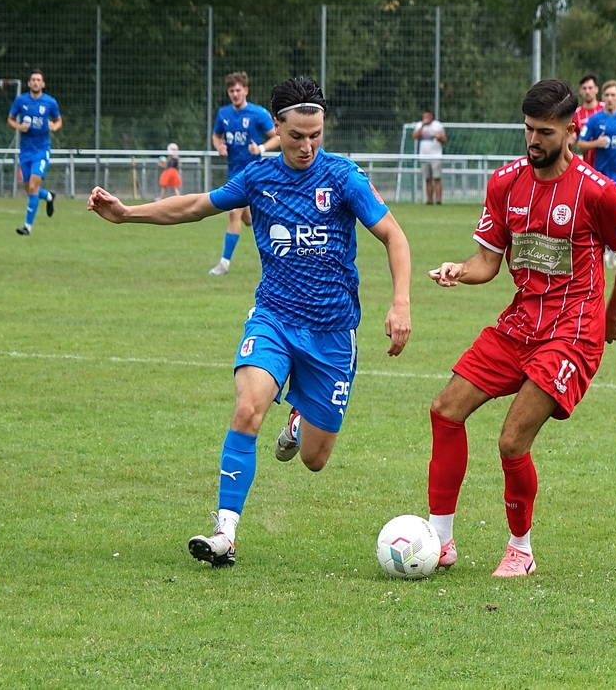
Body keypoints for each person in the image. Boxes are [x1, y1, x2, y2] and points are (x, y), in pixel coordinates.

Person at [88, 77, 412, 568]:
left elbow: (394, 236)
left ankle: (300, 419)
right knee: (247, 409)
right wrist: (127, 213)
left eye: (316, 135)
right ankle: (225, 533)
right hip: (274, 319)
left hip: (331, 333)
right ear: (276, 128)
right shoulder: (258, 177)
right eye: (296, 136)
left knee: (315, 459)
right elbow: (195, 205)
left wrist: (400, 302)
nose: (306, 146)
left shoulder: (344, 177)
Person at [426, 79, 616, 578]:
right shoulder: (505, 183)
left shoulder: (597, 192)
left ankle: (520, 550)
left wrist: (610, 317)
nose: (533, 140)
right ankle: (439, 541)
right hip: (521, 323)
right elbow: (488, 261)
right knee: (445, 410)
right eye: (528, 129)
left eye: (545, 132)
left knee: (511, 441)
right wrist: (460, 269)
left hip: (574, 332)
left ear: (571, 131)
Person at [208, 72, 279, 276]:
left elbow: (277, 137)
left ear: (246, 91)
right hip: (234, 173)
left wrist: (261, 149)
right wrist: (219, 146)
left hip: (254, 174)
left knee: (234, 213)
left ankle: (224, 263)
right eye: (231, 91)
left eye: (238, 90)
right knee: (246, 218)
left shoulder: (258, 113)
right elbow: (216, 136)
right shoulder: (224, 114)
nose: (235, 94)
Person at [577, 80, 616, 268]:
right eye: (607, 95)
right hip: (600, 173)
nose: (610, 98)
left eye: (613, 95)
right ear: (602, 98)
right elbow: (580, 144)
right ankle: (605, 244)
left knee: (615, 204)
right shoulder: (595, 120)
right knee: (600, 211)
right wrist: (596, 143)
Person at [8, 69, 62, 235]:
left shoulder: (50, 102)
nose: (36, 82)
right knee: (29, 189)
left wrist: (54, 126)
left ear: (43, 84)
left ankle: (27, 227)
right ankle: (49, 197)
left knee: (32, 186)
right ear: (29, 83)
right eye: (33, 80)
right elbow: (10, 120)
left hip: (41, 151)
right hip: (25, 151)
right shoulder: (21, 100)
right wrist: (19, 127)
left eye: (39, 80)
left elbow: (58, 120)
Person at [412, 109, 447, 205]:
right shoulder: (419, 125)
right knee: (427, 179)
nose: (426, 119)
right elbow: (414, 136)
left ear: (432, 116)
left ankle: (438, 200)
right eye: (424, 117)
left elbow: (444, 139)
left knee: (437, 178)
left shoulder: (438, 126)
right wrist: (422, 126)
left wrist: (439, 138)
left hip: (436, 156)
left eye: (428, 117)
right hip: (424, 156)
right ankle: (429, 200)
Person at [570, 74, 604, 167]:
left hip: (608, 165)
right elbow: (571, 142)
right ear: (580, 91)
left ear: (596, 89)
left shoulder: (605, 109)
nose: (587, 91)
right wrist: (569, 142)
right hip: (589, 165)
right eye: (584, 88)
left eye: (590, 88)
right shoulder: (576, 114)